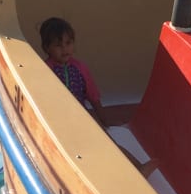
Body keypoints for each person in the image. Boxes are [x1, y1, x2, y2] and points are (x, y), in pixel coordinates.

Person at [40, 16, 156, 176]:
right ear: (47, 48)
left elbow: (93, 96)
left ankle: (137, 167)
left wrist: (103, 120)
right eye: (58, 45)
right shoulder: (46, 70)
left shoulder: (79, 68)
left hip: (81, 116)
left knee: (107, 141)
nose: (65, 49)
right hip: (59, 121)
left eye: (68, 43)